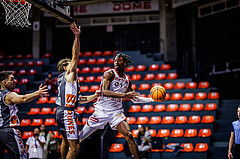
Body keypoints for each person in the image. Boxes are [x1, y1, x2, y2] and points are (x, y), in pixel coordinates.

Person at [79, 53, 156, 159]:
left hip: (116, 112)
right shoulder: (109, 73)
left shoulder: (127, 81)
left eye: (119, 60)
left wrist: (152, 99)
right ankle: (68, 152)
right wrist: (125, 95)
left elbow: (135, 98)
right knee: (79, 138)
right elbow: (105, 92)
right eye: (115, 60)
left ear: (124, 63)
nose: (116, 62)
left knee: (129, 136)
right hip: (101, 111)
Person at [55, 22, 101, 159]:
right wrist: (77, 37)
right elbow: (75, 56)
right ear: (65, 68)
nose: (74, 65)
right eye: (70, 64)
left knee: (65, 140)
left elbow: (79, 99)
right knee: (75, 147)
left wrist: (94, 95)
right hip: (67, 113)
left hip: (61, 111)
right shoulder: (69, 74)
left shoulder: (64, 80)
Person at [0, 70, 48, 159]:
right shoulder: (8, 95)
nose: (15, 81)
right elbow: (23, 98)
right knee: (21, 157)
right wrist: (38, 93)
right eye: (12, 79)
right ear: (4, 83)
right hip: (9, 131)